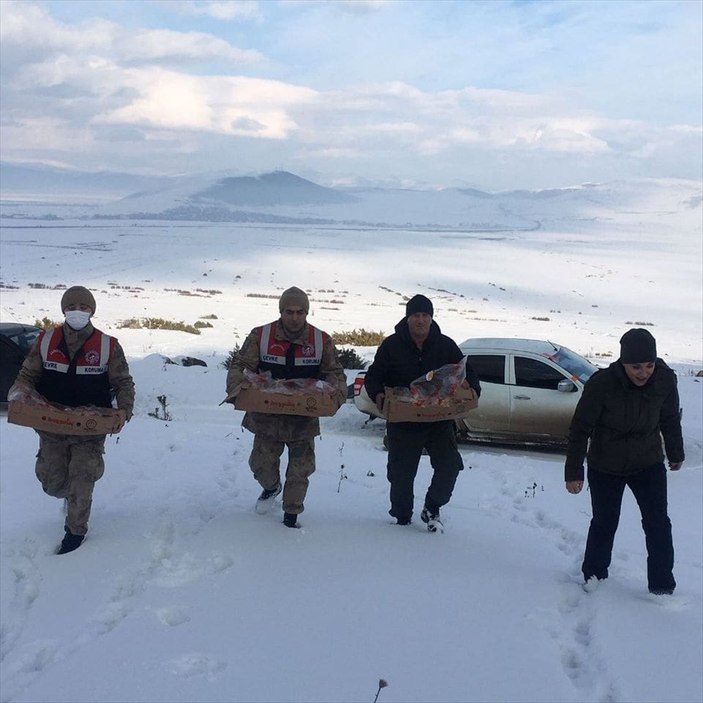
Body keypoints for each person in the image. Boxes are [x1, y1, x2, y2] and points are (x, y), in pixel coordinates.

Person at [10, 286, 135, 554]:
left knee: (82, 475)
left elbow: (123, 382)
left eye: (84, 307)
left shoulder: (107, 345)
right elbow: (28, 375)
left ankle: (75, 532)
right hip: (51, 423)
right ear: (64, 310)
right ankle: (70, 494)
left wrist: (124, 410)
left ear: (92, 311)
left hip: (90, 426)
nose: (78, 312)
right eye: (72, 307)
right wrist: (20, 394)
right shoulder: (45, 340)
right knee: (51, 482)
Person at [564, 328, 685, 595]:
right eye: (636, 367)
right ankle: (594, 576)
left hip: (648, 462)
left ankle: (662, 587)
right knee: (605, 521)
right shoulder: (601, 384)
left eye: (649, 365)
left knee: (658, 524)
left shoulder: (664, 380)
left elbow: (669, 419)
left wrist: (675, 453)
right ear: (623, 362)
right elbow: (580, 427)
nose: (644, 373)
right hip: (605, 464)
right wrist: (574, 471)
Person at [226, 286, 347, 528]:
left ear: (307, 312)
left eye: (300, 312)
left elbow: (335, 374)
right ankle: (271, 487)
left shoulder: (320, 340)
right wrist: (237, 389)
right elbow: (239, 365)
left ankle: (291, 516)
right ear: (281, 311)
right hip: (266, 417)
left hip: (303, 419)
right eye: (289, 311)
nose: (294, 317)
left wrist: (336, 397)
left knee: (300, 471)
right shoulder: (261, 336)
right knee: (261, 466)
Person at [363, 294, 481, 532]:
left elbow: (466, 372)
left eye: (425, 315)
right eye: (415, 315)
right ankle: (401, 518)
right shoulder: (391, 345)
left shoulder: (445, 345)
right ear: (407, 318)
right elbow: (373, 376)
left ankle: (432, 506)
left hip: (437, 420)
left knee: (449, 466)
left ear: (431, 318)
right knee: (401, 474)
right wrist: (378, 395)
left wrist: (472, 389)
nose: (420, 320)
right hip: (403, 420)